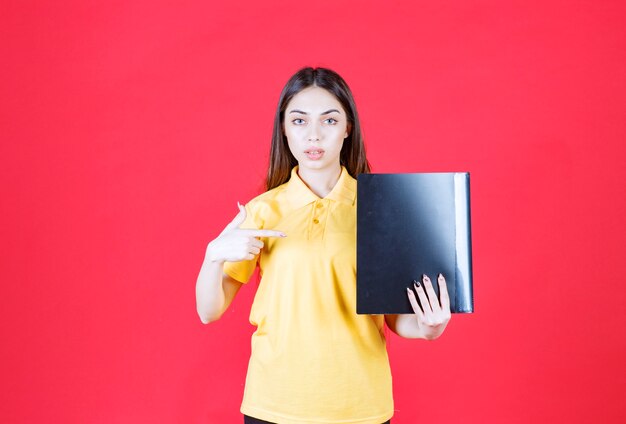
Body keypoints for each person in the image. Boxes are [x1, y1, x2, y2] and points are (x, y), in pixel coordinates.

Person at [195, 67, 452, 424]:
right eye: (299, 121)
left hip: (360, 406)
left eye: (329, 121)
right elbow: (209, 311)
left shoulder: (380, 208)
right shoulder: (261, 211)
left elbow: (394, 318)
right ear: (284, 130)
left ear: (348, 128)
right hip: (274, 404)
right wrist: (213, 256)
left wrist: (428, 328)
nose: (313, 135)